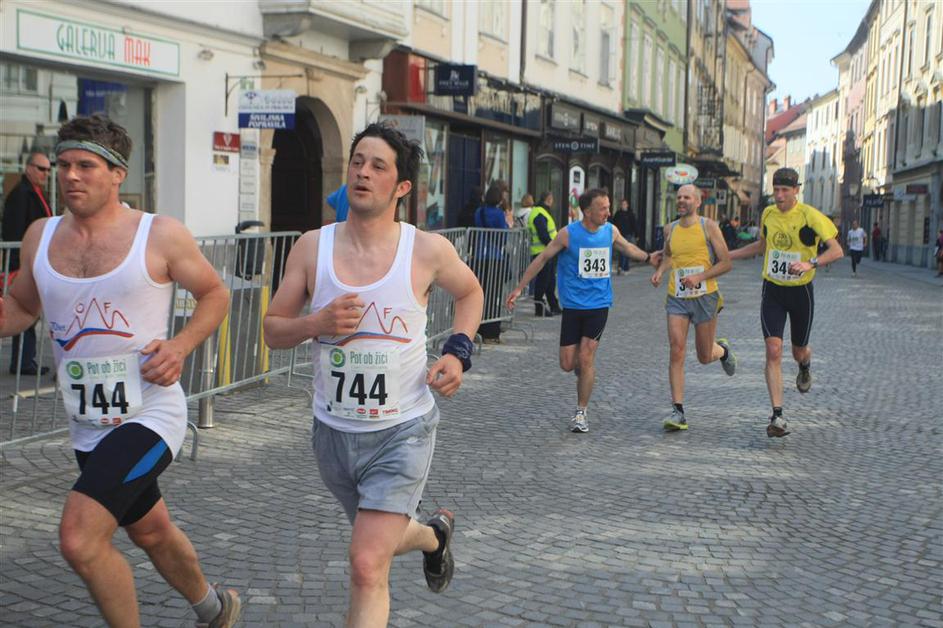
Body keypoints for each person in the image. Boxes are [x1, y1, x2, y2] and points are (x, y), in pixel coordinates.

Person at [0, 115, 239, 627]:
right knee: (151, 531)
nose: (71, 175)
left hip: (150, 415)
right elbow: (21, 306)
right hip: (88, 424)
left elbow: (214, 293)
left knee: (79, 539)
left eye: (86, 165)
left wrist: (180, 345)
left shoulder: (159, 234)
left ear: (116, 174)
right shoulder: (40, 236)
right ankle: (215, 608)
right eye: (63, 164)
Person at [262, 122, 483, 627]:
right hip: (333, 433)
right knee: (378, 539)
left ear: (401, 186)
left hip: (403, 430)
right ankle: (433, 536)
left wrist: (458, 352)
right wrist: (316, 323)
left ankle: (425, 537)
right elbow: (273, 331)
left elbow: (471, 293)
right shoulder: (312, 248)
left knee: (366, 563)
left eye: (377, 166)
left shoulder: (425, 250)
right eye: (357, 161)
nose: (362, 172)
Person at [507, 188, 660, 433]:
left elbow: (628, 248)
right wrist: (519, 288)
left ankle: (581, 412)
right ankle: (582, 370)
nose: (608, 212)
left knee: (587, 357)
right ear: (587, 211)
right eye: (603, 208)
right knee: (568, 364)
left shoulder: (610, 231)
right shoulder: (568, 234)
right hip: (572, 306)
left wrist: (648, 257)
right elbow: (542, 258)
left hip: (599, 305)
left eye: (608, 207)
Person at [729, 167, 843, 438]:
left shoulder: (810, 216)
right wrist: (729, 255)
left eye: (784, 190)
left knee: (798, 350)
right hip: (773, 290)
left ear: (796, 190)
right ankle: (777, 416)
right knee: (773, 350)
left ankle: (805, 365)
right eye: (776, 190)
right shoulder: (768, 214)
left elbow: (837, 250)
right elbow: (762, 246)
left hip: (801, 292)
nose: (779, 195)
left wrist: (810, 263)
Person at [650, 184, 737, 431]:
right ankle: (678, 412)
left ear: (698, 202)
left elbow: (726, 263)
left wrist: (699, 277)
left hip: (705, 296)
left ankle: (722, 351)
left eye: (686, 197)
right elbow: (670, 255)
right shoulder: (670, 228)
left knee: (704, 356)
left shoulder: (708, 226)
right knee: (676, 349)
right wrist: (660, 271)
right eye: (679, 197)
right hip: (677, 296)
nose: (681, 200)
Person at [2, 151, 53, 376]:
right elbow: (14, 231)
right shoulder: (22, 194)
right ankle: (23, 361)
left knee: (30, 311)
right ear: (29, 168)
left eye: (48, 170)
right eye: (41, 169)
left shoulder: (35, 192)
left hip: (32, 262)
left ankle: (25, 360)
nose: (46, 174)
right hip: (23, 264)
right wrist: (18, 265)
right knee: (25, 309)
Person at [473, 181, 510, 343]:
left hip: (479, 256)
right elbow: (503, 235)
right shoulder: (499, 214)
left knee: (479, 294)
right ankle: (491, 331)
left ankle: (477, 328)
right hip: (495, 257)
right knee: (494, 295)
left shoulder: (479, 212)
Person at [527, 191, 561, 317]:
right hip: (542, 252)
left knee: (550, 280)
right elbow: (543, 234)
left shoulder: (541, 211)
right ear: (549, 199)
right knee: (543, 281)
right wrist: (553, 245)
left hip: (547, 251)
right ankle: (539, 307)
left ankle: (553, 305)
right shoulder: (539, 213)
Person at [611, 199, 638, 275]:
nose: (623, 206)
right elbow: (614, 223)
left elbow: (634, 224)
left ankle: (624, 267)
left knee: (626, 251)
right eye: (622, 204)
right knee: (622, 251)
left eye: (624, 204)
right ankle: (622, 267)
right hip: (619, 234)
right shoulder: (618, 214)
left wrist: (636, 234)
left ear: (627, 205)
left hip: (628, 234)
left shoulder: (630, 214)